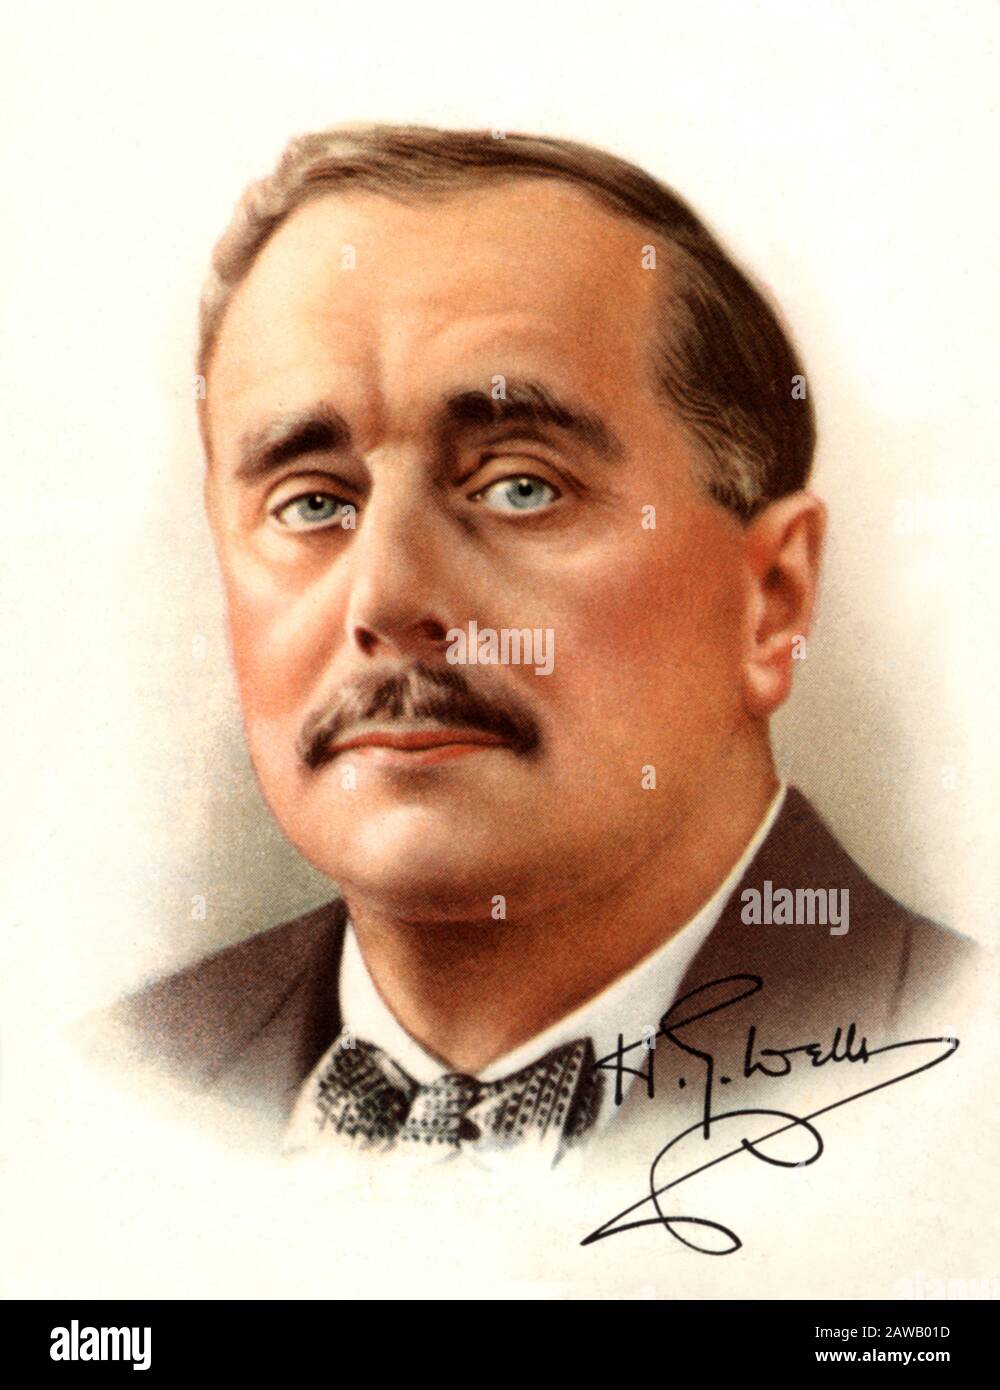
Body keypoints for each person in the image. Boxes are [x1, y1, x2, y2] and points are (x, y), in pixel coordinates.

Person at [84, 124, 975, 1169]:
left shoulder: (956, 1077)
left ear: (771, 599)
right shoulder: (104, 1090)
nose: (387, 597)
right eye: (313, 502)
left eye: (520, 487)